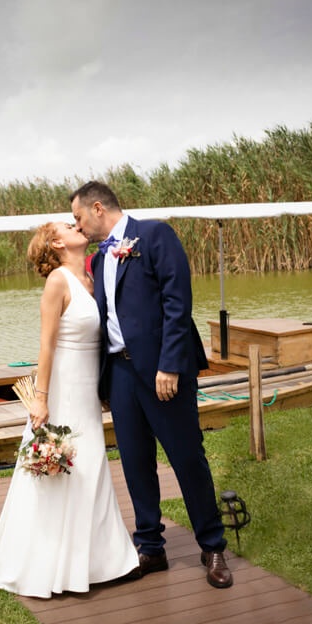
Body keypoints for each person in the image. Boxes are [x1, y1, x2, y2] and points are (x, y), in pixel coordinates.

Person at [69, 180, 233, 589]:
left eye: (78, 217)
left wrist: (170, 365)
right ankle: (150, 548)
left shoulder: (155, 235)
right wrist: (103, 382)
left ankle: (212, 546)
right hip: (121, 374)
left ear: (97, 208)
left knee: (186, 457)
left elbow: (178, 302)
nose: (78, 226)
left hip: (164, 372)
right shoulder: (99, 259)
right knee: (136, 462)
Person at [0, 221, 140, 598]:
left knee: (93, 464)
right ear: (56, 242)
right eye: (68, 225)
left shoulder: (91, 277)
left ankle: (101, 561)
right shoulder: (58, 282)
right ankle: (51, 563)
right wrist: (41, 397)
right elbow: (46, 346)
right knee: (63, 468)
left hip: (87, 390)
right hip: (63, 386)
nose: (76, 225)